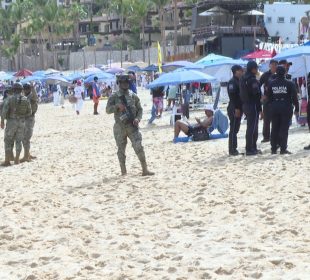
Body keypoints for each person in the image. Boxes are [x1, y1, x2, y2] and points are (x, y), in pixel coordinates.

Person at [106, 74, 154, 176]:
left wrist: (138, 118)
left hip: (132, 126)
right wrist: (117, 107)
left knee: (139, 147)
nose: (125, 84)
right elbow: (107, 110)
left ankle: (145, 169)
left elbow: (140, 109)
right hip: (119, 127)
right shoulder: (114, 96)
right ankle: (123, 172)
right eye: (122, 82)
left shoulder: (133, 95)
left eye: (127, 82)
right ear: (119, 83)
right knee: (121, 150)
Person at [266, 65, 299, 154]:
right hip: (286, 107)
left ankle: (273, 149)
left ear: (276, 72)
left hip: (274, 107)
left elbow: (268, 97)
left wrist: (271, 106)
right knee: (284, 129)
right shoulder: (289, 83)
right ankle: (283, 149)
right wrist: (297, 108)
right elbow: (294, 97)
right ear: (285, 72)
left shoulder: (271, 83)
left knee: (274, 128)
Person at [1, 83, 32, 166]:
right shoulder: (26, 99)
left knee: (8, 140)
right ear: (21, 90)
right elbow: (29, 112)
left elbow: (4, 111)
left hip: (11, 122)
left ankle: (7, 160)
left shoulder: (9, 99)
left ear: (13, 89)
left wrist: (2, 121)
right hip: (22, 122)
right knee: (18, 140)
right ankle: (17, 159)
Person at [240, 61, 262, 156]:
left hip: (245, 105)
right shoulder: (252, 79)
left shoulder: (242, 78)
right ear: (252, 68)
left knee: (250, 127)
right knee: (252, 128)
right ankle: (250, 148)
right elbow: (256, 95)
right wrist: (260, 108)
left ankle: (251, 147)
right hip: (252, 105)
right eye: (256, 68)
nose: (257, 69)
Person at [259, 59, 278, 142]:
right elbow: (257, 86)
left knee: (276, 119)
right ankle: (266, 137)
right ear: (269, 65)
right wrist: (261, 96)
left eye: (275, 64)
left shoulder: (279, 74)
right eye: (272, 64)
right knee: (266, 120)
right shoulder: (265, 75)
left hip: (277, 100)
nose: (274, 66)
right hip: (267, 100)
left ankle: (275, 136)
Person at [227, 65, 244, 156]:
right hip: (234, 108)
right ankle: (232, 149)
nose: (242, 72)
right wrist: (237, 108)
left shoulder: (238, 81)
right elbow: (232, 96)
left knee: (236, 129)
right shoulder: (232, 82)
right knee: (233, 129)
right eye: (240, 70)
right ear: (236, 71)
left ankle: (234, 148)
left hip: (238, 107)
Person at [20, 83, 38, 163]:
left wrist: (33, 88)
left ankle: (26, 156)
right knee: (24, 137)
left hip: (29, 119)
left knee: (26, 138)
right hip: (26, 119)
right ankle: (27, 154)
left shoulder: (31, 96)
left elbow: (35, 96)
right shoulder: (26, 97)